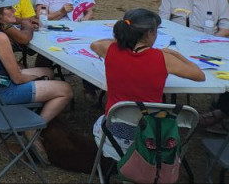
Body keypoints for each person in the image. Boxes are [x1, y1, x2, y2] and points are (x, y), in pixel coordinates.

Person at [90, 9, 212, 159]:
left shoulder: (110, 49)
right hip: (151, 138)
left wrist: (122, 39)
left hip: (114, 134)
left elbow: (95, 44)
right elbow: (199, 75)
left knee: (98, 121)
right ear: (149, 33)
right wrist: (176, 54)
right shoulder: (163, 58)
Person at [0, 0, 73, 130]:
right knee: (66, 89)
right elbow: (17, 79)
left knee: (48, 71)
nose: (14, 10)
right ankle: (33, 128)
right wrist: (36, 78)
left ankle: (36, 112)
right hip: (0, 93)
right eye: (9, 8)